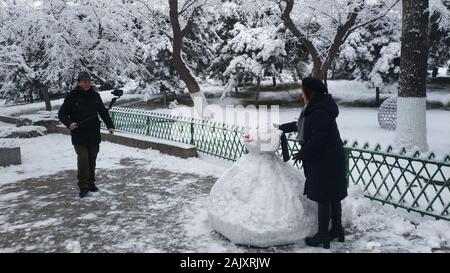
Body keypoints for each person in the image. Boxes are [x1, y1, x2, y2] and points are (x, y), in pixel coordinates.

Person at [277, 77, 348, 249]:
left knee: (324, 197)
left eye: (303, 92)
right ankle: (337, 230)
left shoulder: (319, 110)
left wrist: (303, 153)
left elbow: (318, 138)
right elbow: (303, 125)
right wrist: (281, 127)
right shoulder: (319, 107)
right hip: (330, 157)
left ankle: (323, 235)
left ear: (310, 92)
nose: (302, 95)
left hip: (324, 159)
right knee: (333, 195)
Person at [58, 72, 115, 198]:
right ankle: (83, 185)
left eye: (89, 81)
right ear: (78, 82)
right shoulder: (72, 96)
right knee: (83, 158)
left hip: (93, 132)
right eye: (84, 81)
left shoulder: (95, 95)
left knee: (92, 158)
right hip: (79, 133)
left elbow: (103, 112)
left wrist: (110, 126)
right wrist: (69, 123)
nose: (87, 84)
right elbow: (62, 113)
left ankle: (91, 183)